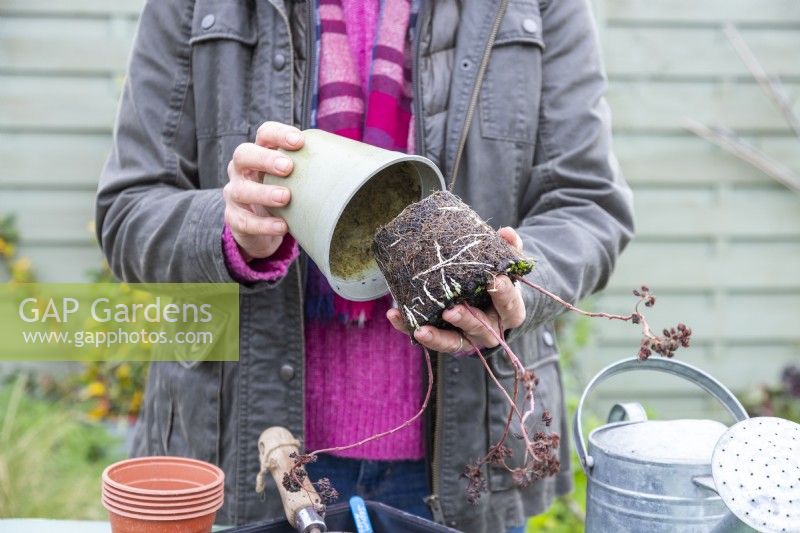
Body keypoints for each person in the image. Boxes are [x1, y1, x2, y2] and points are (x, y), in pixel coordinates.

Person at [95, 0, 634, 531]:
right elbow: (128, 208)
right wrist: (229, 228)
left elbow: (587, 204)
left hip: (460, 464)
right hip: (247, 452)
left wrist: (517, 287)